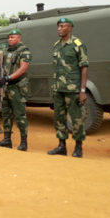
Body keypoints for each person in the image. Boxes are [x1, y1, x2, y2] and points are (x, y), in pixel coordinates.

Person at [47, 18, 88, 158]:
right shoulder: (56, 45)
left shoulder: (78, 44)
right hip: (59, 89)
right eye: (58, 26)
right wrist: (54, 89)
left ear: (70, 28)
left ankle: (78, 147)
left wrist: (82, 90)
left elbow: (84, 67)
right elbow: (56, 69)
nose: (59, 29)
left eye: (62, 26)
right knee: (58, 118)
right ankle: (61, 146)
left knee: (77, 119)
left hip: (73, 89)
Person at [0, 29, 32, 150]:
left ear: (19, 38)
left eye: (12, 37)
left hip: (17, 87)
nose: (10, 39)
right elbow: (0, 62)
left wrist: (8, 77)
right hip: (6, 87)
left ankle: (24, 142)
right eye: (9, 37)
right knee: (6, 114)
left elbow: (23, 69)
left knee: (20, 115)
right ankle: (7, 140)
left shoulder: (24, 51)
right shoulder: (6, 51)